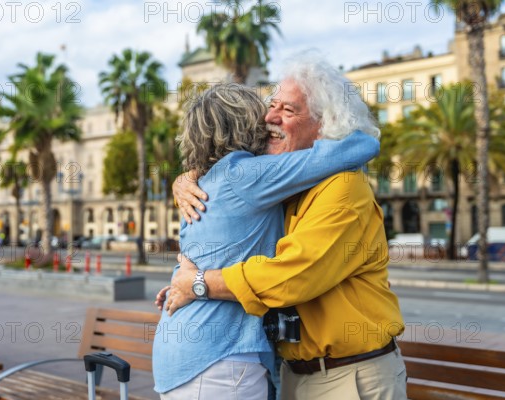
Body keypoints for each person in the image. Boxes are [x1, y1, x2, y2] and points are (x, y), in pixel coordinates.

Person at [159, 57, 407, 400]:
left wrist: (199, 283)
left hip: (347, 376)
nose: (269, 117)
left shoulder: (343, 188)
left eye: (287, 110)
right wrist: (189, 177)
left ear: (324, 125)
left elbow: (291, 277)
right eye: (270, 105)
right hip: (293, 374)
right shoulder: (280, 187)